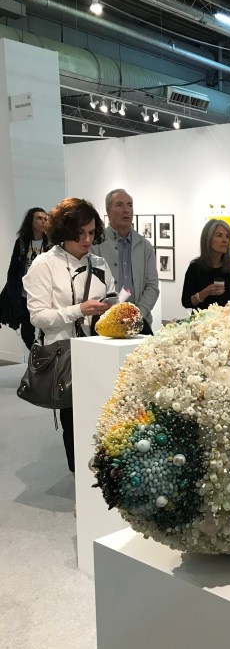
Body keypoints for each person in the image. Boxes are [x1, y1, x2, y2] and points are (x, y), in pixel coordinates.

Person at [23, 198, 114, 473]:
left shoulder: (99, 263)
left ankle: (105, 481)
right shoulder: (44, 265)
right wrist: (78, 310)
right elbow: (38, 317)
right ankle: (81, 483)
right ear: (64, 231)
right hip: (65, 356)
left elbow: (110, 296)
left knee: (105, 420)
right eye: (80, 233)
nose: (87, 240)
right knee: (74, 422)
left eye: (91, 232)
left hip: (100, 352)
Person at [95, 189, 159, 333]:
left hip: (140, 322)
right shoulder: (96, 245)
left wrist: (136, 314)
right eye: (119, 205)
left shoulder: (144, 246)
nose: (126, 210)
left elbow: (152, 286)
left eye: (129, 205)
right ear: (108, 211)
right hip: (105, 324)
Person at [0, 207, 49, 348]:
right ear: (31, 221)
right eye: (39, 218)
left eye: (45, 218)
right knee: (27, 333)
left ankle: (43, 356)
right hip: (25, 295)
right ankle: (35, 355)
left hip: (44, 294)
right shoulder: (21, 242)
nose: (43, 221)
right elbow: (13, 270)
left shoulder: (50, 244)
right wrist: (13, 292)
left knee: (46, 330)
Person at [181, 219, 230, 310]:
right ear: (207, 239)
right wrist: (205, 292)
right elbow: (186, 302)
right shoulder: (195, 267)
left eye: (227, 236)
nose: (225, 240)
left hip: (225, 318)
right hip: (201, 318)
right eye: (219, 236)